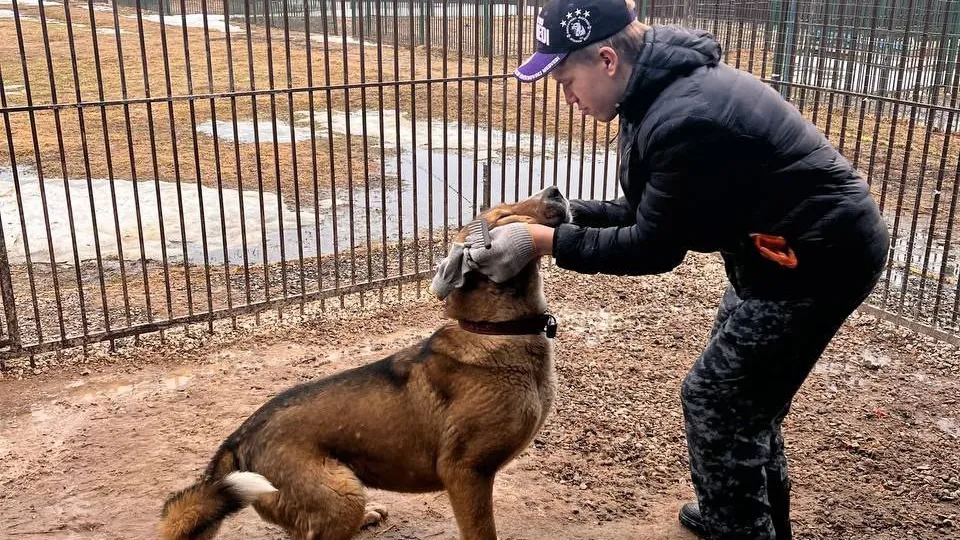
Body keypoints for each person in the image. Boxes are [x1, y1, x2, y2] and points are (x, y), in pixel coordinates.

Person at [446, 0, 891, 538]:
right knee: (747, 400)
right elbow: (656, 210)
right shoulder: (655, 92)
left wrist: (546, 241)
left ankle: (739, 526)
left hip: (817, 261)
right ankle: (740, 510)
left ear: (607, 60)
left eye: (567, 79)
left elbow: (654, 246)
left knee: (720, 399)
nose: (568, 98)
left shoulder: (687, 115)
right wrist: (561, 214)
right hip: (776, 252)